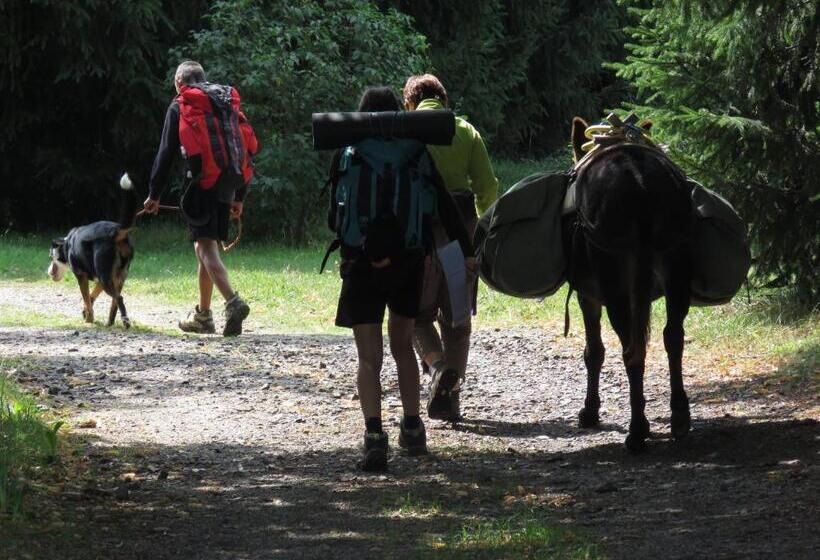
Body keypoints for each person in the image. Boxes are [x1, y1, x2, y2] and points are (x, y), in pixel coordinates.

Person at [329, 86, 474, 471]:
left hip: (360, 263)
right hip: (408, 262)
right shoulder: (416, 152)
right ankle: (412, 427)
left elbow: (334, 217)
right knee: (402, 346)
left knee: (368, 357)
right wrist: (467, 252)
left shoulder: (349, 152)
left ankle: (374, 436)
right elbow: (444, 207)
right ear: (398, 115)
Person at [403, 74, 499, 421]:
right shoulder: (466, 131)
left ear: (410, 103)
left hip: (420, 236)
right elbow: (487, 188)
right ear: (444, 100)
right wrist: (484, 234)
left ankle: (439, 369)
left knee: (416, 317)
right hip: (463, 235)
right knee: (457, 322)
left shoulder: (405, 129)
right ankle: (451, 400)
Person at [144, 61, 256, 337]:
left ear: (179, 82)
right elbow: (244, 148)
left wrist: (154, 194)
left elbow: (165, 153)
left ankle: (233, 302)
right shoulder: (225, 103)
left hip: (201, 184)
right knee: (207, 247)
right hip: (228, 181)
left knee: (204, 247)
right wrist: (239, 195)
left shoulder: (181, 104)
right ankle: (203, 316)